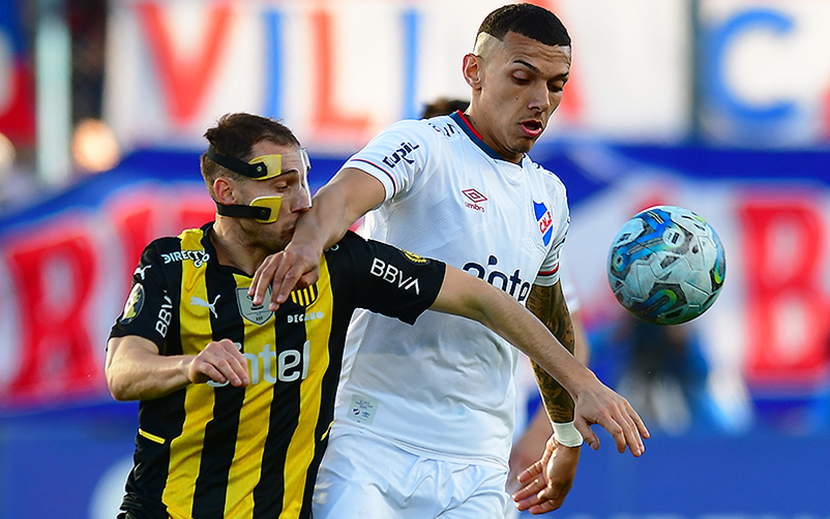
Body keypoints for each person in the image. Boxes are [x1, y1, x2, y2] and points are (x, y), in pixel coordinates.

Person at [105, 112, 645, 519]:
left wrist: (580, 384)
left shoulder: (343, 263)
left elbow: (485, 299)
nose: (302, 199)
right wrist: (190, 365)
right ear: (226, 191)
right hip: (165, 509)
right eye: (280, 184)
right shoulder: (172, 263)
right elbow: (122, 371)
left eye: (303, 179)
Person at [249, 4, 649, 517]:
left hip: (478, 462)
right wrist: (307, 244)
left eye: (555, 85)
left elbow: (550, 319)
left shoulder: (548, 196)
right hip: (370, 440)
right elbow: (342, 198)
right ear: (474, 72)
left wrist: (566, 433)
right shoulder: (422, 145)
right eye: (522, 77)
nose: (539, 100)